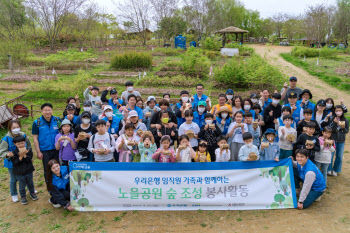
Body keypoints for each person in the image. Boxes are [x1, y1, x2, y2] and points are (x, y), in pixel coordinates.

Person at [0, 120, 32, 203]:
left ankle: (31, 190)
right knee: (14, 179)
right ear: (10, 128)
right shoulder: (6, 139)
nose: (16, 129)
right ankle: (14, 194)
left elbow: (28, 145)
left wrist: (28, 153)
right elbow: (2, 152)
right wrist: (7, 154)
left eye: (17, 127)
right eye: (14, 127)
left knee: (28, 176)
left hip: (24, 161)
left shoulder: (23, 135)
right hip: (12, 163)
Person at [32, 103, 60, 182]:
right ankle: (49, 186)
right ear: (42, 111)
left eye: (49, 110)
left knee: (57, 167)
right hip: (45, 150)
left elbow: (62, 133)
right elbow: (35, 138)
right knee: (47, 168)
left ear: (52, 110)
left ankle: (58, 184)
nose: (47, 112)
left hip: (56, 149)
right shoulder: (36, 122)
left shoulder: (57, 120)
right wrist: (38, 151)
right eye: (45, 110)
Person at [11, 135, 38, 205]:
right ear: (15, 144)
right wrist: (20, 157)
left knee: (30, 183)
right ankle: (23, 196)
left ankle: (32, 193)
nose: (20, 145)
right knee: (22, 185)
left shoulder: (28, 150)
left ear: (25, 142)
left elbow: (29, 159)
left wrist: (25, 155)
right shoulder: (13, 153)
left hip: (28, 170)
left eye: (22, 143)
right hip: (19, 172)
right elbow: (15, 163)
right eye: (18, 144)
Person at [323, 105, 349, 176]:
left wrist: (342, 127)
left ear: (342, 111)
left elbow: (346, 131)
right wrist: (335, 123)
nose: (338, 112)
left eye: (339, 111)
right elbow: (331, 130)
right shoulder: (332, 119)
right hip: (333, 139)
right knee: (331, 155)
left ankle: (336, 169)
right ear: (334, 111)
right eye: (336, 111)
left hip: (341, 140)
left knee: (339, 156)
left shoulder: (346, 120)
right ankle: (329, 169)